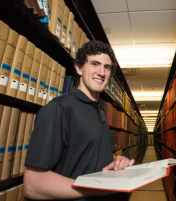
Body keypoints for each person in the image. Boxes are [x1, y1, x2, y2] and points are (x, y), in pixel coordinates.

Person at [23, 40, 135, 200]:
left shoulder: (100, 112)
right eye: (95, 64)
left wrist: (116, 161)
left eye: (107, 67)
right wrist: (99, 188)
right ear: (79, 68)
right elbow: (33, 185)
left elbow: (85, 156)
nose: (102, 72)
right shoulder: (59, 109)